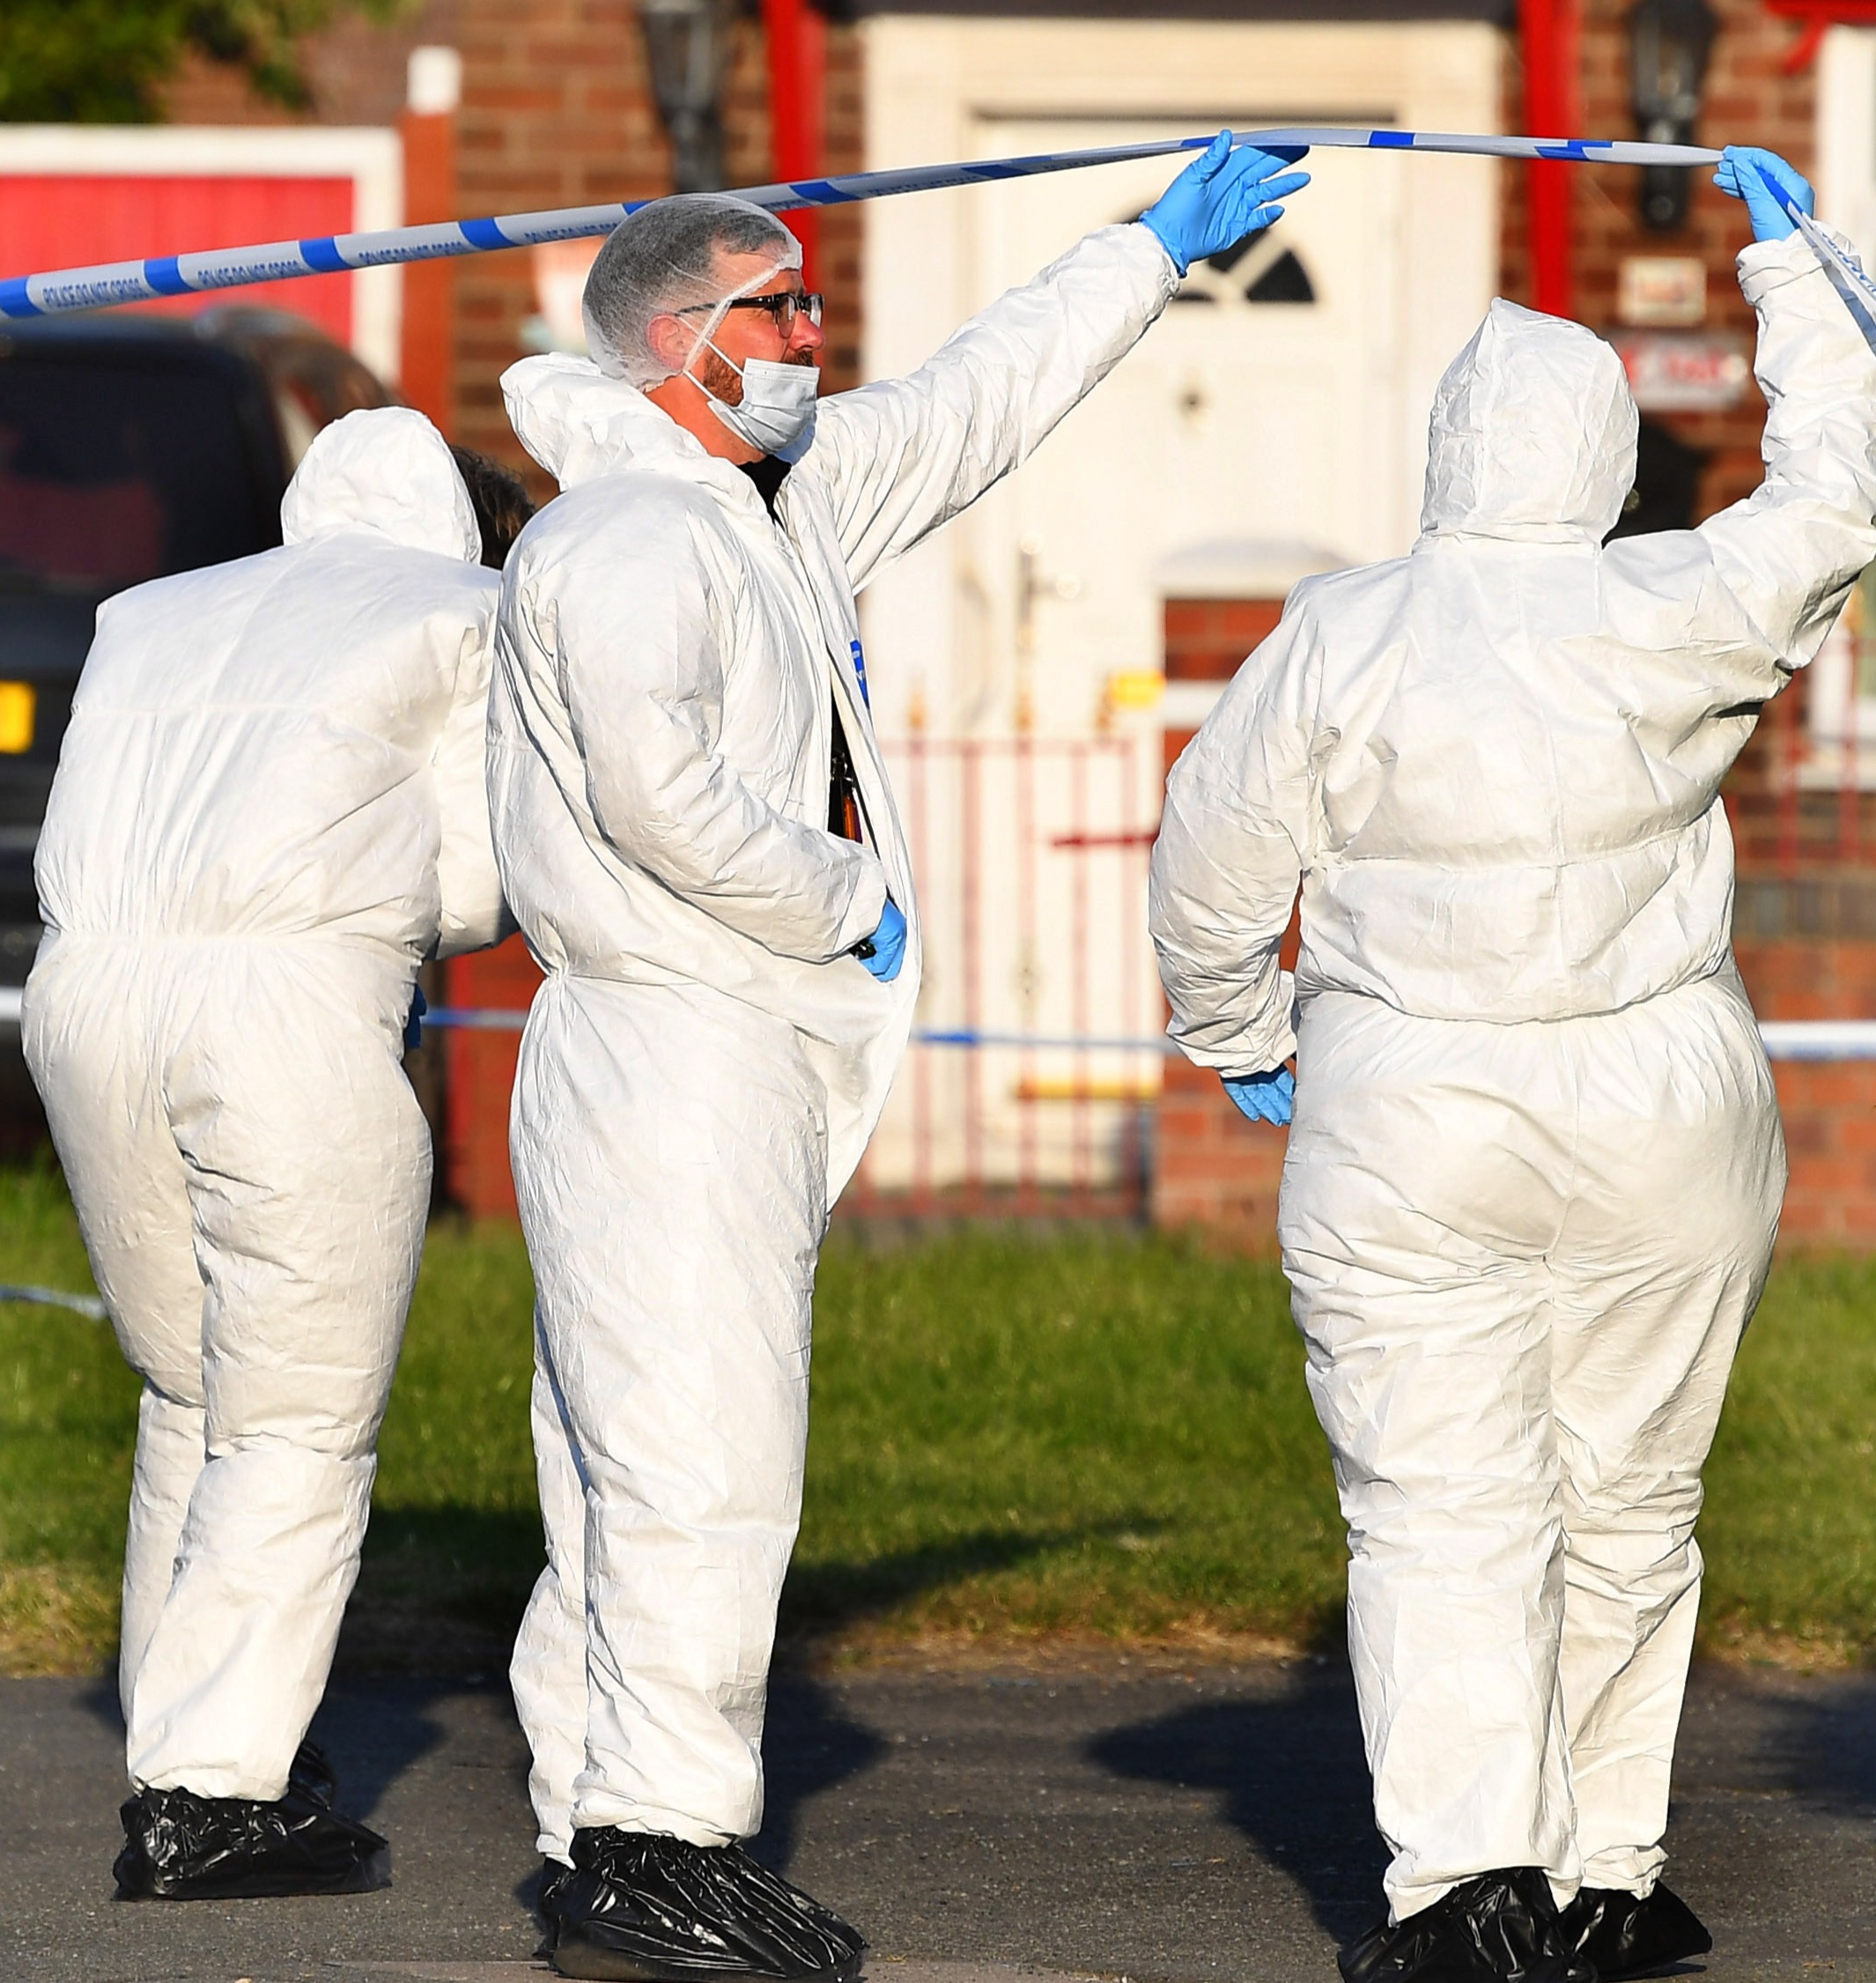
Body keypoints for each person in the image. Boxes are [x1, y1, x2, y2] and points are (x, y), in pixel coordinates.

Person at [489, 134, 1308, 1983]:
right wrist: (845, 896)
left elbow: (972, 404)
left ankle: (603, 1826)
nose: (814, 326)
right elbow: (659, 794)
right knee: (698, 1459)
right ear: (678, 338)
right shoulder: (625, 536)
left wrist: (1145, 253)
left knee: (634, 1464)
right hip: (672, 1036)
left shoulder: (765, 504)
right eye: (778, 303)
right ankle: (656, 1846)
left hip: (733, 1041)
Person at [1146, 148, 1876, 1983]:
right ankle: (1606, 1872)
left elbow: (1209, 868)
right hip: (1661, 1091)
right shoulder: (1669, 604)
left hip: (1414, 1095)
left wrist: (1242, 1034)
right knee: (1630, 1489)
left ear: (1446, 456)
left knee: (1438, 1501)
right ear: (1604, 459)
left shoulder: (1343, 628)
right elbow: (1838, 479)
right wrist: (1797, 274)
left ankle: (1475, 1881)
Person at [25, 405, 526, 1901]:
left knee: (189, 1391)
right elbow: (475, 889)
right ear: (476, 531)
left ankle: (183, 1731)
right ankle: (216, 1792)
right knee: (299, 1421)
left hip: (82, 994)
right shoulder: (467, 609)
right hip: (290, 1004)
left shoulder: (154, 608)